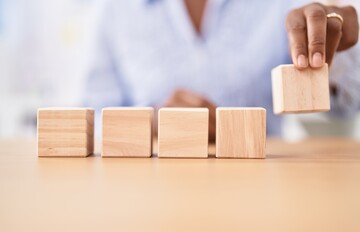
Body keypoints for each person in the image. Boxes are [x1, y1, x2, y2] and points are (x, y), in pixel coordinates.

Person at [85, 0, 359, 141]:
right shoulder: (114, 10)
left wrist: (334, 48)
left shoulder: (279, 4)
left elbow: (350, 102)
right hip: (148, 189)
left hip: (262, 184)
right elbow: (89, 117)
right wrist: (149, 124)